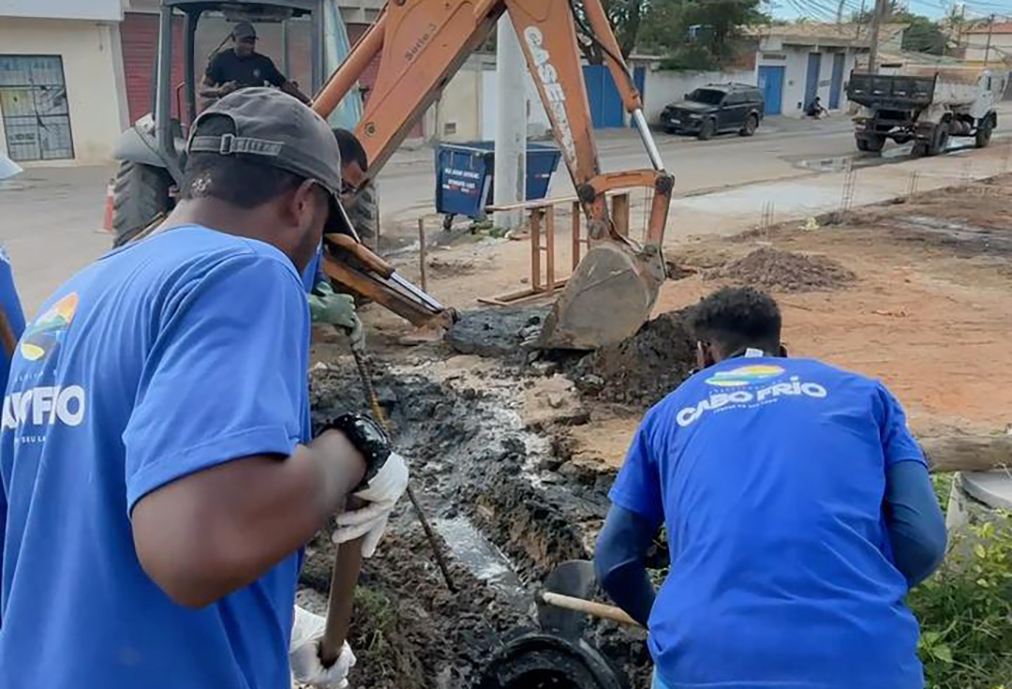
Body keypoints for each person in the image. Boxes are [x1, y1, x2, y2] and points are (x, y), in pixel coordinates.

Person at [0, 88, 409, 689]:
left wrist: (269, 625)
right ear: (303, 203)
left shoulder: (69, 302)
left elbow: (65, 537)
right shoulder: (245, 270)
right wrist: (351, 450)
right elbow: (196, 548)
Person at [595, 286, 946, 689]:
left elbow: (614, 560)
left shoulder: (668, 413)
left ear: (704, 353)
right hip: (864, 660)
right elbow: (924, 539)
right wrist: (859, 586)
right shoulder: (865, 395)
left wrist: (663, 620)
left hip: (705, 658)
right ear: (781, 350)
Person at [302, 128, 374, 351]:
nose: (343, 196)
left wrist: (326, 293)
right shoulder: (274, 215)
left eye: (349, 190)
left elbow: (315, 271)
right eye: (343, 186)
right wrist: (319, 308)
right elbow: (262, 296)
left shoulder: (316, 218)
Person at [201, 21, 311, 105]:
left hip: (256, 112)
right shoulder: (221, 59)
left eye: (251, 42)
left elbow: (283, 84)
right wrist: (219, 91)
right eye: (244, 42)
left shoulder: (263, 62)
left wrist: (308, 102)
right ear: (234, 40)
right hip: (229, 109)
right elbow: (203, 89)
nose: (249, 46)